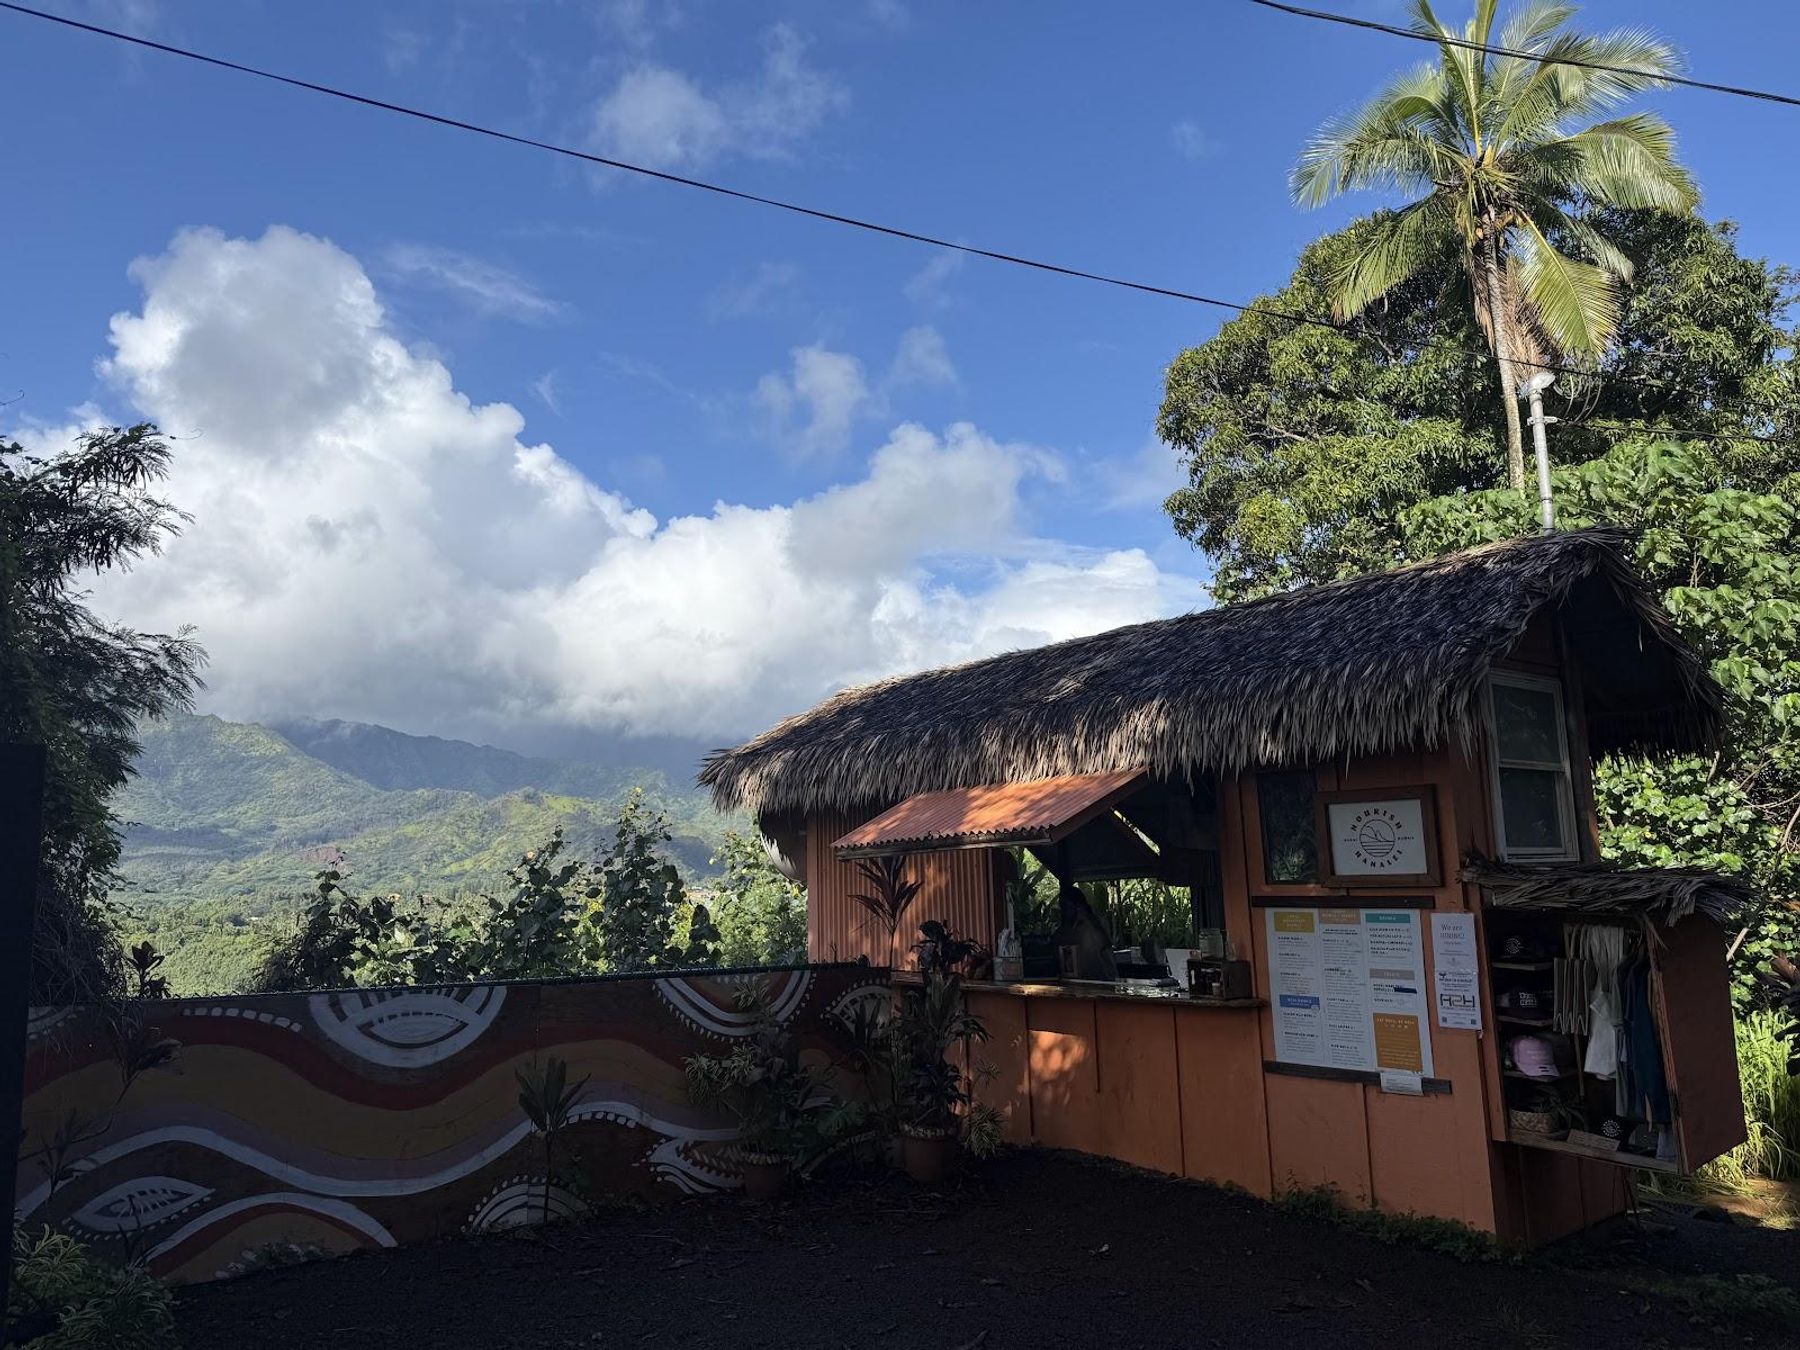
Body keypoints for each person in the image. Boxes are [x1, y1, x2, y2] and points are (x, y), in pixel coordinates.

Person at [1055, 882, 1118, 982]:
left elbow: (1103, 946)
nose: (1063, 911)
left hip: (1101, 984)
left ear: (1077, 906)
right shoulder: (1066, 929)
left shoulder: (1095, 925)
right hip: (1078, 985)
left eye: (1065, 906)